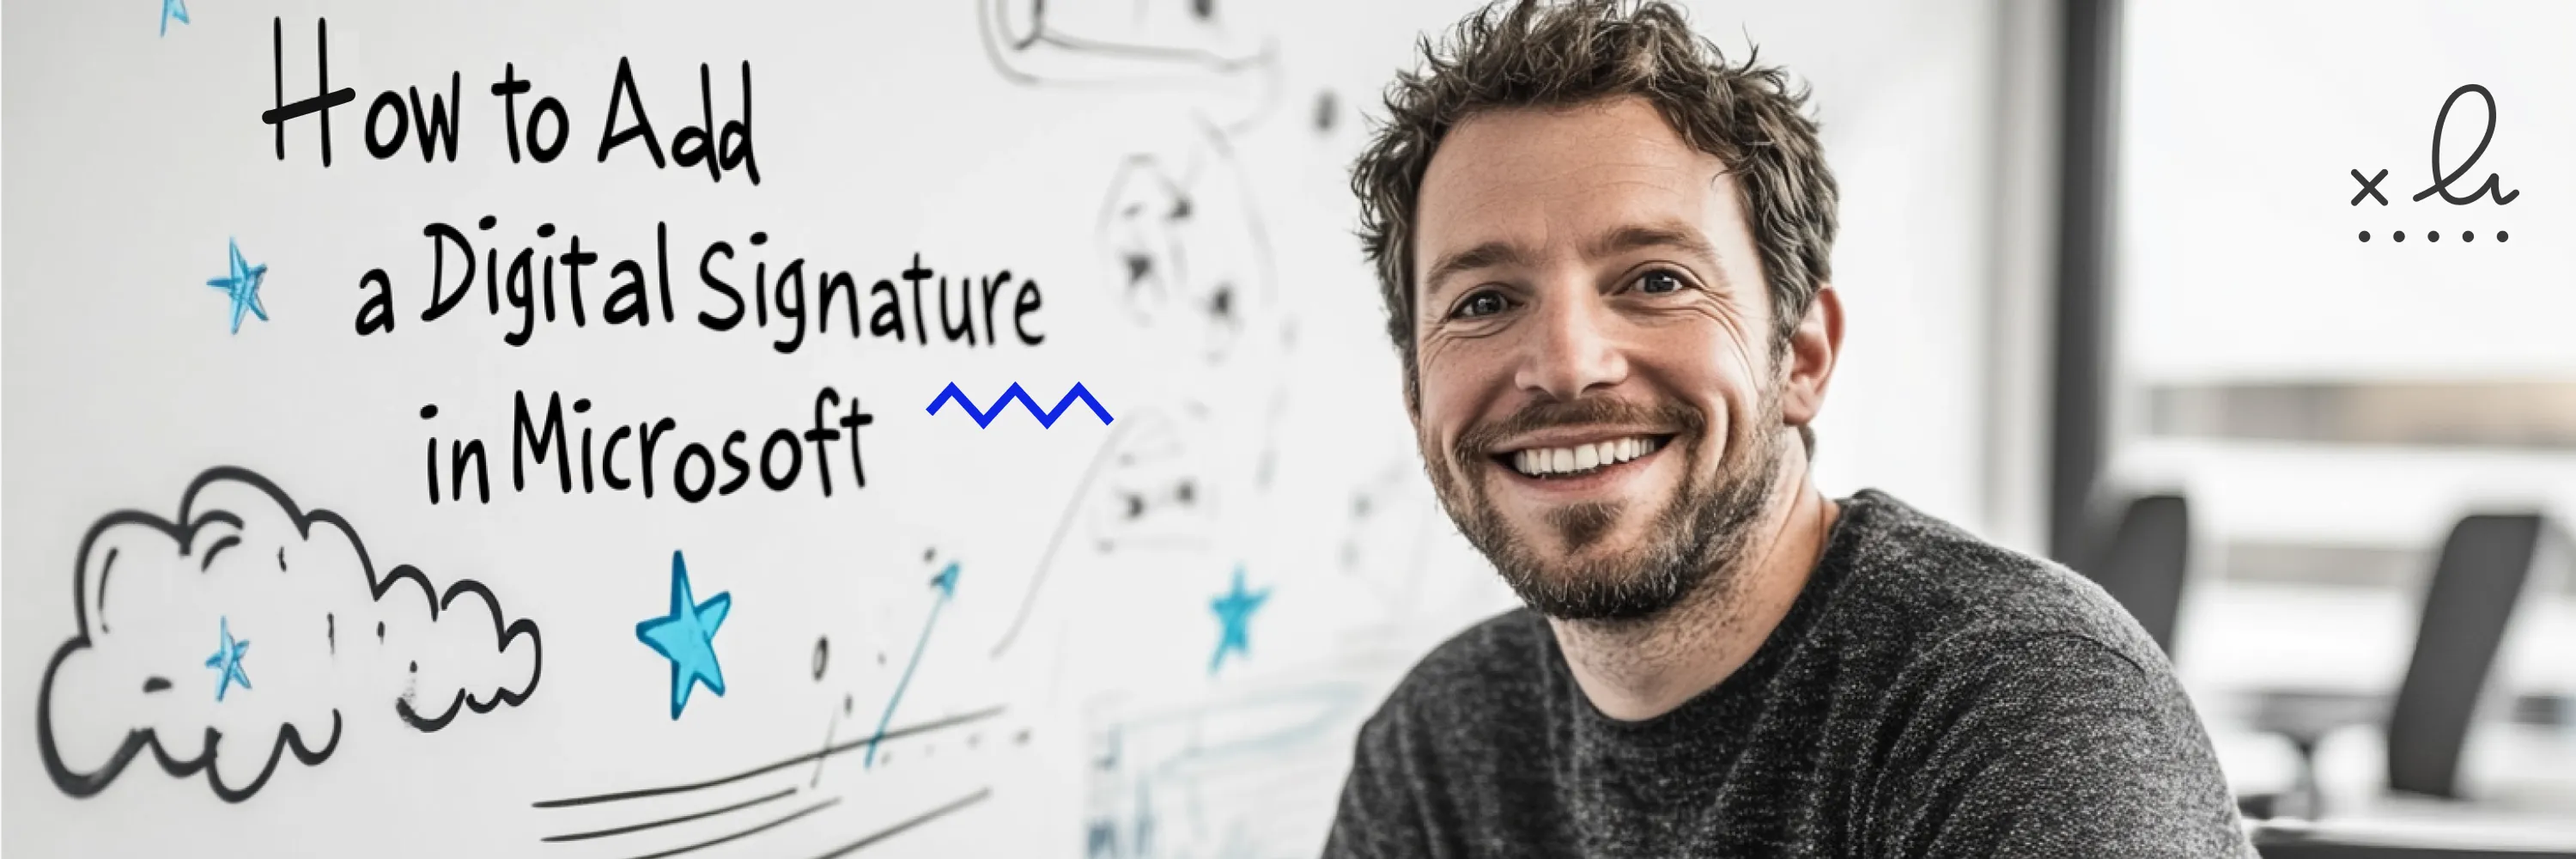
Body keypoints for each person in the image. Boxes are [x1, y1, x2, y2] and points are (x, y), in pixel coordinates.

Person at [1325, 2, 2251, 856]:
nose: (1566, 363)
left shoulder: (2023, 701)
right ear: (1417, 396)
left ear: (1801, 358)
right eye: (1485, 301)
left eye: (1656, 280)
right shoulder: (1437, 744)